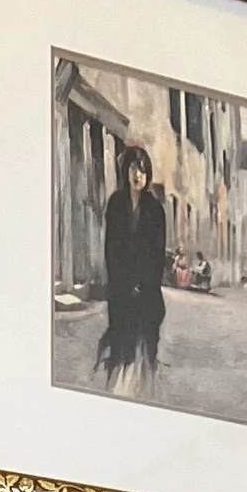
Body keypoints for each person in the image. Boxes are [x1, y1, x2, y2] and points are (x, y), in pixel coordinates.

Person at [95, 144, 165, 392]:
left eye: (143, 171)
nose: (138, 175)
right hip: (121, 293)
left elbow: (157, 257)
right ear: (126, 170)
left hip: (146, 296)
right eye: (134, 168)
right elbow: (111, 249)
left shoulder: (155, 211)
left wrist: (142, 284)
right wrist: (122, 283)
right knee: (121, 351)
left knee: (143, 355)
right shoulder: (115, 205)